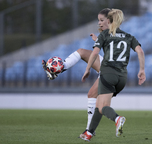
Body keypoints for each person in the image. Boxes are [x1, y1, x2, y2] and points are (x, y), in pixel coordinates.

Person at [42, 8, 111, 136]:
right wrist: (98, 40)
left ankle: (90, 130)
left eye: (101, 20)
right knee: (81, 52)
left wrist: (98, 43)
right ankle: (59, 69)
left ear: (109, 20)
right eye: (98, 20)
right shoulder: (108, 33)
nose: (99, 23)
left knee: (91, 95)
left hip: (111, 69)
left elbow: (112, 51)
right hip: (108, 65)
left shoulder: (114, 33)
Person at [81, 9, 146, 142]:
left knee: (103, 107)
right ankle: (89, 133)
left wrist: (87, 69)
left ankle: (117, 119)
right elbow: (140, 51)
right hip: (122, 77)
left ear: (109, 21)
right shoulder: (129, 36)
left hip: (108, 74)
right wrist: (142, 70)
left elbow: (94, 53)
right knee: (100, 105)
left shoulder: (105, 34)